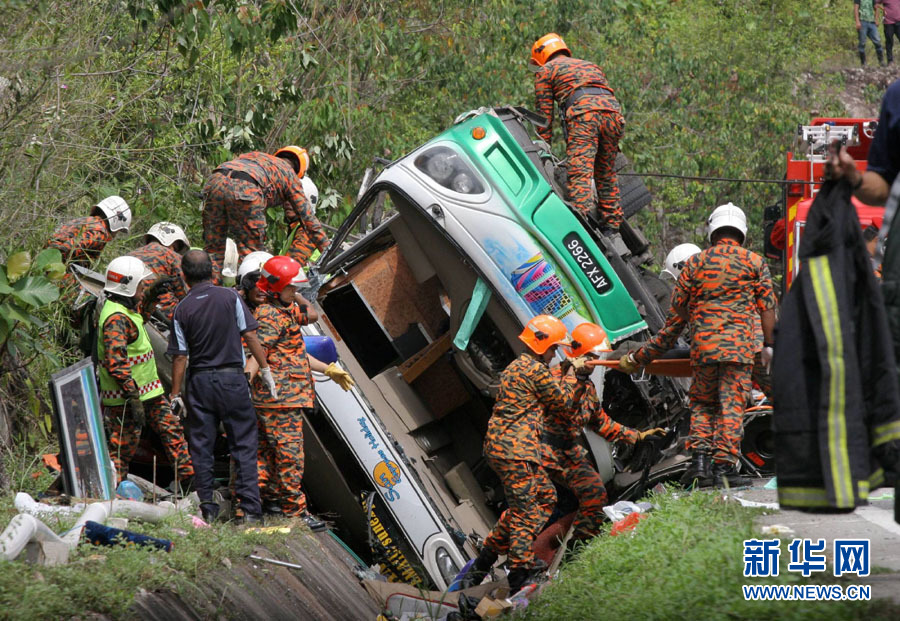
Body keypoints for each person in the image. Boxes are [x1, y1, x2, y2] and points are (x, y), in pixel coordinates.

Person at [466, 315, 584, 595]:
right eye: (555, 349)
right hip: (514, 449)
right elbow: (564, 403)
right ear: (543, 347)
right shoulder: (536, 371)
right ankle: (519, 571)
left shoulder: (519, 367)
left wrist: (567, 368)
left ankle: (483, 562)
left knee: (546, 496)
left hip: (509, 448)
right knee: (526, 510)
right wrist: (574, 374)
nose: (556, 353)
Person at [668, 204, 777, 488]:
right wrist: (768, 344)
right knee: (731, 405)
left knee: (703, 403)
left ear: (712, 229)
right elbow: (767, 308)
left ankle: (700, 466)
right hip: (740, 349)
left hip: (703, 348)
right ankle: (724, 469)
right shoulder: (754, 262)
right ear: (742, 231)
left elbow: (678, 308)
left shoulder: (694, 263)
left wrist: (701, 318)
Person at [167, 250, 276, 525]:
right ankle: (250, 513)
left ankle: (208, 512)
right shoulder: (230, 298)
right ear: (212, 270)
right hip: (232, 380)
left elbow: (180, 356)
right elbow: (250, 334)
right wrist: (264, 369)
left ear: (184, 275)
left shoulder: (181, 309)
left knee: (201, 448)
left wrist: (175, 394)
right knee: (244, 445)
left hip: (200, 383)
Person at [242, 256, 350, 530]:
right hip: (279, 400)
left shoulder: (284, 311)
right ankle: (294, 511)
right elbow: (257, 353)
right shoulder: (269, 316)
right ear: (276, 288)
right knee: (291, 456)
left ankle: (263, 502)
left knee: (265, 454)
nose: (295, 293)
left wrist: (329, 370)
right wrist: (246, 381)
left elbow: (299, 346)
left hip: (282, 398)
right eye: (291, 288)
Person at [543, 323, 664, 541]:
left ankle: (579, 544)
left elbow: (601, 423)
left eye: (595, 355)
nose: (593, 360)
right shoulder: (553, 377)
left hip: (566, 452)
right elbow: (563, 406)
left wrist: (637, 436)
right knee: (534, 506)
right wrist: (573, 374)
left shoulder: (586, 387)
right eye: (589, 354)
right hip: (540, 449)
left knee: (595, 493)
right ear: (577, 353)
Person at [97, 256, 193, 486]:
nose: (142, 290)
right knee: (122, 448)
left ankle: (191, 483)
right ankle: (113, 492)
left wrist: (150, 298)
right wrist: (133, 397)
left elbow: (139, 322)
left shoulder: (124, 310)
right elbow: (116, 363)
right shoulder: (115, 318)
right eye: (141, 286)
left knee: (173, 433)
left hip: (148, 393)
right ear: (128, 286)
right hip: (127, 399)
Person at [530, 33, 625, 234]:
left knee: (579, 171)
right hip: (614, 116)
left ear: (540, 56)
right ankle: (611, 225)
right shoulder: (590, 65)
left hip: (585, 116)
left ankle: (581, 222)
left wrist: (541, 147)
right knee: (605, 172)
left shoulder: (546, 70)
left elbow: (544, 116)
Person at [201, 146, 330, 274]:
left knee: (213, 250)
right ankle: (245, 292)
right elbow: (309, 221)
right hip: (247, 188)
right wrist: (330, 252)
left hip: (215, 180)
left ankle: (208, 290)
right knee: (251, 257)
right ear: (300, 172)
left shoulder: (256, 156)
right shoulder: (290, 175)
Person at [47, 195, 131, 295]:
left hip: (47, 264)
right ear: (116, 222)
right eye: (119, 231)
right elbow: (66, 249)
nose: (116, 234)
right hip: (55, 272)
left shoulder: (88, 221)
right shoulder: (100, 233)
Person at [127, 222, 190, 321]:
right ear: (172, 243)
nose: (175, 250)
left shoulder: (130, 254)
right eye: (176, 247)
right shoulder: (172, 256)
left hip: (130, 306)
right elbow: (186, 295)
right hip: (161, 311)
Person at [856, 0, 886, 66]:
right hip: (862, 21)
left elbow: (876, 8)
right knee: (862, 43)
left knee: (877, 41)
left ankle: (881, 62)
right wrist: (857, 21)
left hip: (871, 22)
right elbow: (856, 8)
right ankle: (863, 63)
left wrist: (876, 19)